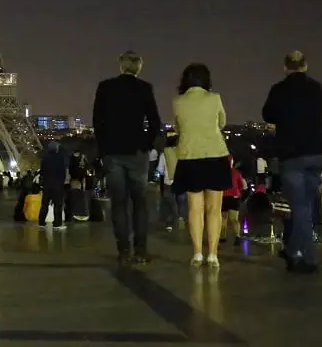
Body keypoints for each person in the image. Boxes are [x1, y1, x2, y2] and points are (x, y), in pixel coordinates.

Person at [92, 51, 163, 264]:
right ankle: (140, 250)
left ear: (121, 66)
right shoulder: (144, 89)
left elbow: (98, 122)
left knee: (119, 204)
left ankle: (123, 251)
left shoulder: (105, 87)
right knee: (139, 203)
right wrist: (147, 144)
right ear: (139, 68)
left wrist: (104, 149)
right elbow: (155, 122)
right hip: (137, 152)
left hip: (113, 152)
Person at [261, 50, 322, 273]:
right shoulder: (316, 88)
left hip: (292, 153)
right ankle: (293, 249)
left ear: (286, 67)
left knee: (299, 207)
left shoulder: (278, 90)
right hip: (316, 151)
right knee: (306, 205)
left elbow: (268, 114)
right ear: (305, 66)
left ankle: (306, 257)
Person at [172, 63, 229, 268]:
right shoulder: (215, 98)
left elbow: (178, 127)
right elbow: (222, 122)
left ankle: (197, 253)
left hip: (189, 156)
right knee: (214, 209)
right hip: (215, 154)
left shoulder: (178, 102)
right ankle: (213, 254)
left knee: (194, 209)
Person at [38, 141, 67, 229]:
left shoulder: (45, 158)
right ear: (56, 148)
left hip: (47, 185)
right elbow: (62, 172)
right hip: (57, 185)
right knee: (57, 205)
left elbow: (42, 172)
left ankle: (41, 222)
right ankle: (57, 223)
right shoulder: (60, 158)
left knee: (44, 204)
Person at [219, 156, 246, 245]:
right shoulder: (236, 172)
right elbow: (241, 186)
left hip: (223, 197)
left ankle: (223, 237)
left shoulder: (220, 173)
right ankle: (237, 236)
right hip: (234, 197)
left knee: (223, 218)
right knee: (234, 219)